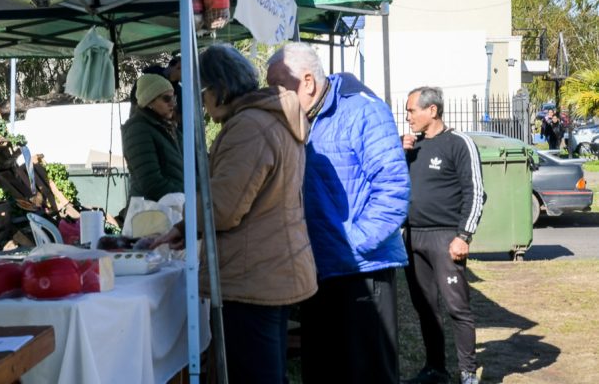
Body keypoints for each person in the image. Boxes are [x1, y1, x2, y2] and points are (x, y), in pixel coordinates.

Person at [155, 44, 317, 384]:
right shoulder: (270, 119)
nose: (201, 102)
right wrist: (186, 228)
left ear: (219, 87)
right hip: (271, 269)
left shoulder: (249, 127)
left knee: (254, 376)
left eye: (203, 92)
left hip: (253, 276)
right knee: (268, 373)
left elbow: (224, 208)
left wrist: (192, 206)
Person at [266, 42, 410, 384]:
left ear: (308, 83)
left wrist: (351, 244)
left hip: (360, 270)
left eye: (278, 89)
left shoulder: (363, 111)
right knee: (324, 370)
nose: (273, 99)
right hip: (317, 271)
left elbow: (393, 191)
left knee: (366, 373)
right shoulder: (300, 120)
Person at [402, 87, 484, 384]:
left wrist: (464, 235)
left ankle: (468, 373)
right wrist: (400, 152)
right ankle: (435, 368)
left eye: (412, 110)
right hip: (413, 237)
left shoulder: (458, 143)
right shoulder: (412, 146)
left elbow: (475, 192)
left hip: (445, 237)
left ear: (432, 110)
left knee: (457, 307)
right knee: (425, 306)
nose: (407, 116)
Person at [121, 73, 183, 202]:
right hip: (152, 214)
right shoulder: (137, 130)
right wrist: (188, 196)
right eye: (167, 99)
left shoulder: (169, 128)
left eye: (174, 98)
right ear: (149, 101)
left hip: (173, 209)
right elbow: (151, 183)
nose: (173, 103)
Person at [129, 55, 182, 119]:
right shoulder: (147, 80)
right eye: (186, 69)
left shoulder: (179, 89)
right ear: (178, 66)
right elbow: (136, 103)